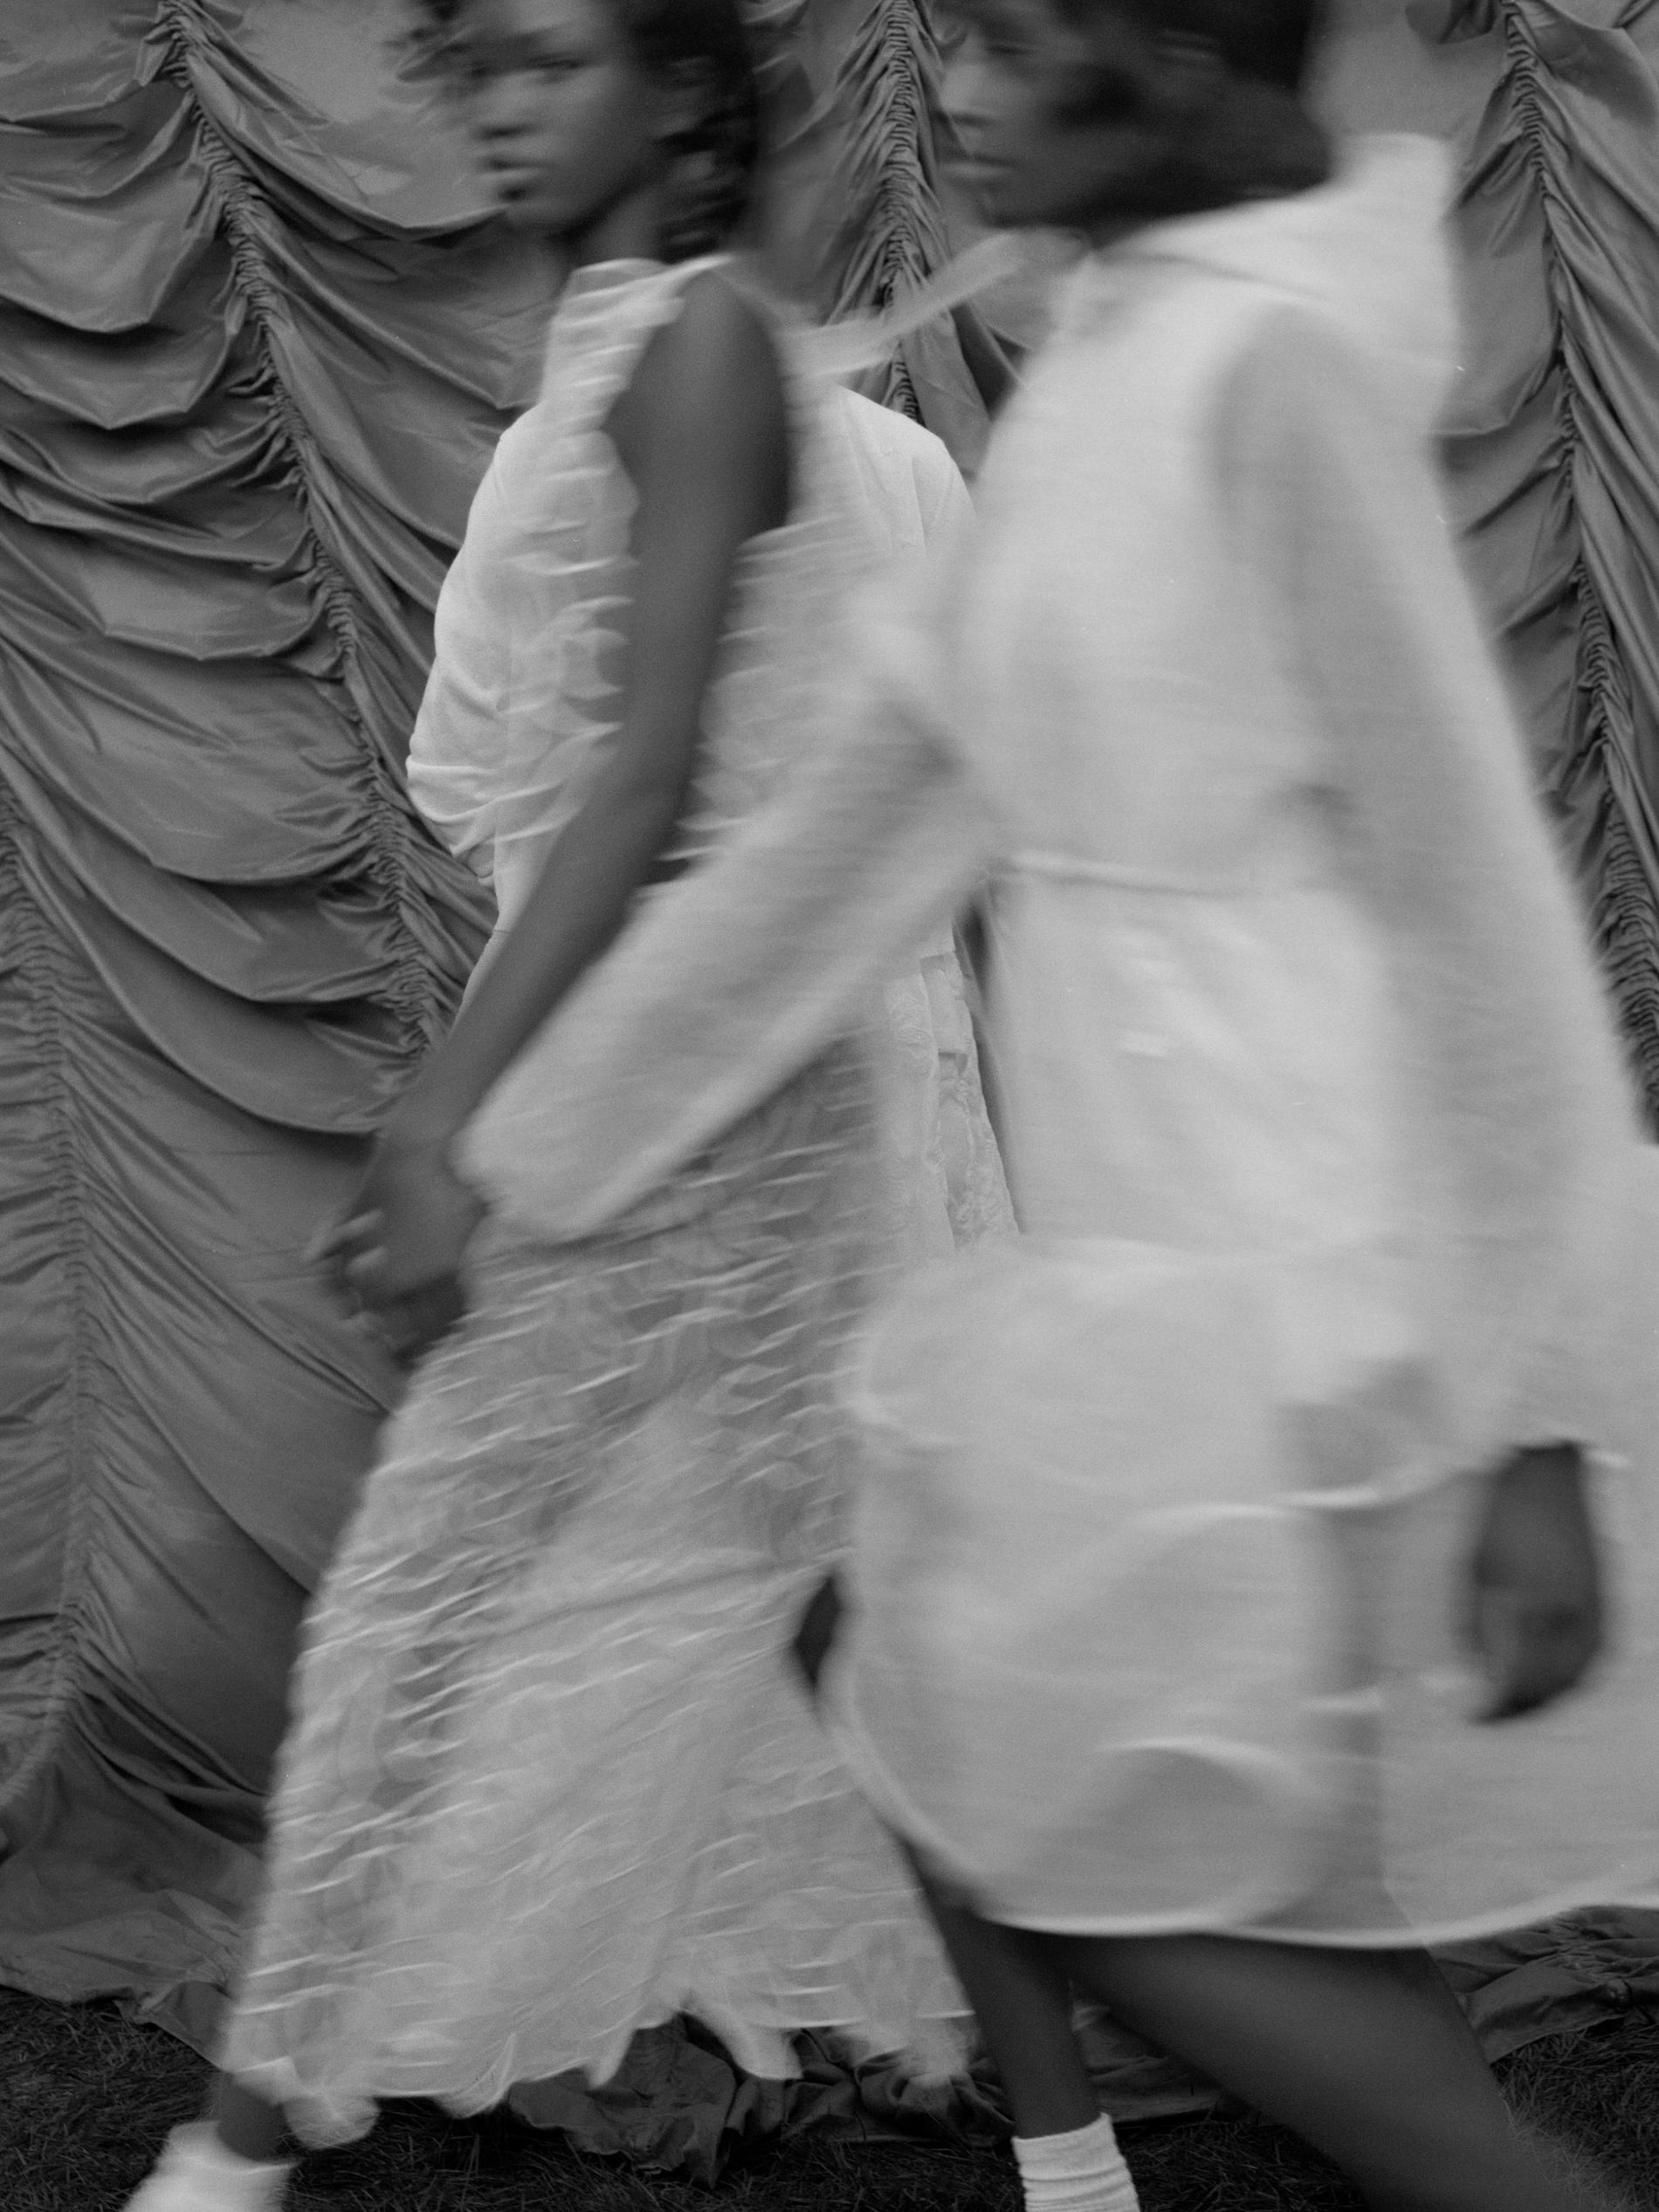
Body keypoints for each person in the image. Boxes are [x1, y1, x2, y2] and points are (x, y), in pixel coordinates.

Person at [420, 3, 1659, 2208]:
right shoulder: (1102, 362)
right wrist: (513, 1141)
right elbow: (869, 816)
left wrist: (1537, 1418)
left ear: (1169, 66)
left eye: (1013, 43)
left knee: (1069, 1827)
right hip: (1140, 1214)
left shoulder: (1261, 370)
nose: (957, 96)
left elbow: (1472, 898)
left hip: (1289, 1219)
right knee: (1228, 1855)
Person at [120, 3, 1022, 2204]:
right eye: (481, 69)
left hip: (684, 1101)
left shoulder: (691, 350)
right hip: (723, 1083)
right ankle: (1073, 2154)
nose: (502, 112)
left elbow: (630, 789)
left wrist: (443, 1118)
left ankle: (223, 2168)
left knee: (418, 1616)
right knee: (835, 1628)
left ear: (684, 96)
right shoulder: (657, 351)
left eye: (551, 62)